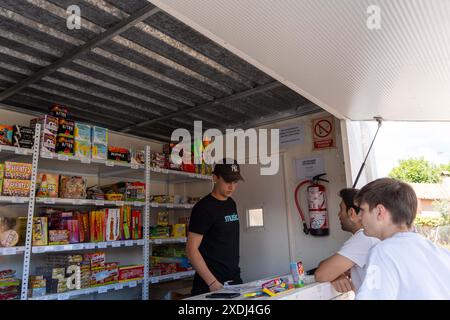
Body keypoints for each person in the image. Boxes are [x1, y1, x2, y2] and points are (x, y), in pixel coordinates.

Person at [355, 178, 450, 299]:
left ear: (380, 212)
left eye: (362, 210)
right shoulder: (440, 252)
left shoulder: (384, 252)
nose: (359, 217)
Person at [186, 159, 244, 296]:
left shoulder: (231, 203)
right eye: (227, 181)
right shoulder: (203, 208)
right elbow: (191, 250)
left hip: (234, 280)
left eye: (235, 182)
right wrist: (212, 283)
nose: (231, 187)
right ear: (215, 178)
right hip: (210, 284)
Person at [315, 188, 380, 293]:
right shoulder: (374, 236)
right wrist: (338, 274)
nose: (339, 215)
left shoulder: (363, 238)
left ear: (351, 212)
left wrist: (335, 273)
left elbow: (321, 274)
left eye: (341, 209)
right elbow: (327, 267)